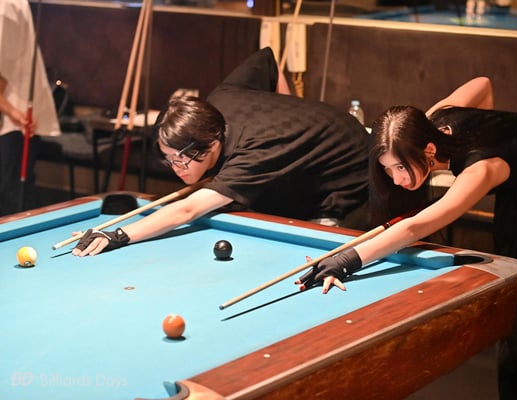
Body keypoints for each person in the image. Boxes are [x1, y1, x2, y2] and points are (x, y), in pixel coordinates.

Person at [296, 77, 517, 399]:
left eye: (401, 167)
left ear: (429, 150)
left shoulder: (481, 169)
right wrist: (490, 130)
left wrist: (347, 260)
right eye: (388, 169)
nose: (397, 180)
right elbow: (483, 84)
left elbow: (414, 228)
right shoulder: (431, 122)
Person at [72, 47, 369, 256]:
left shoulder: (254, 154)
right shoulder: (217, 103)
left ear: (212, 145)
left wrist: (120, 235)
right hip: (305, 150)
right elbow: (267, 60)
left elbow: (188, 209)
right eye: (168, 159)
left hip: (351, 177)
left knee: (316, 257)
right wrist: (292, 111)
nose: (175, 168)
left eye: (181, 159)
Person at [0, 0, 60, 216]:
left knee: (13, 198)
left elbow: (3, 70)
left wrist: (12, 111)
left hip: (15, 118)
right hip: (13, 115)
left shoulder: (8, 8)